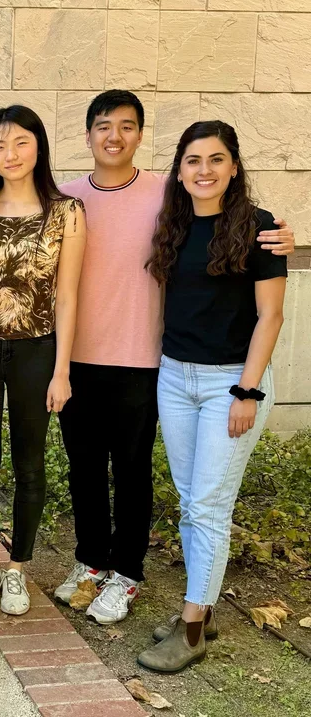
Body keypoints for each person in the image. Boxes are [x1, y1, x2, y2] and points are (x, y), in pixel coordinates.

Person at [52, 91, 295, 625]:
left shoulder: (171, 195)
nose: (114, 136)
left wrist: (278, 236)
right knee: (84, 468)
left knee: (133, 471)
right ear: (87, 134)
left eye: (127, 126)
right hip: (76, 359)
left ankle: (128, 573)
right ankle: (91, 562)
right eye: (103, 127)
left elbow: (237, 227)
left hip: (145, 359)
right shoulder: (63, 199)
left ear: (140, 135)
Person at [137, 122, 287, 673]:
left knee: (208, 506)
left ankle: (193, 627)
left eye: (216, 159)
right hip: (175, 378)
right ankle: (204, 602)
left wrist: (247, 389)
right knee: (190, 500)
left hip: (232, 383)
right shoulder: (173, 227)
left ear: (234, 167)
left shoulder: (260, 229)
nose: (204, 170)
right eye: (193, 160)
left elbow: (270, 316)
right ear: (180, 171)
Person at [0, 106, 86, 617]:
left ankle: (19, 568)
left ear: (39, 147)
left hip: (38, 348)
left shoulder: (67, 212)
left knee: (30, 460)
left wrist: (63, 370)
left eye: (20, 143)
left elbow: (68, 297)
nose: (9, 155)